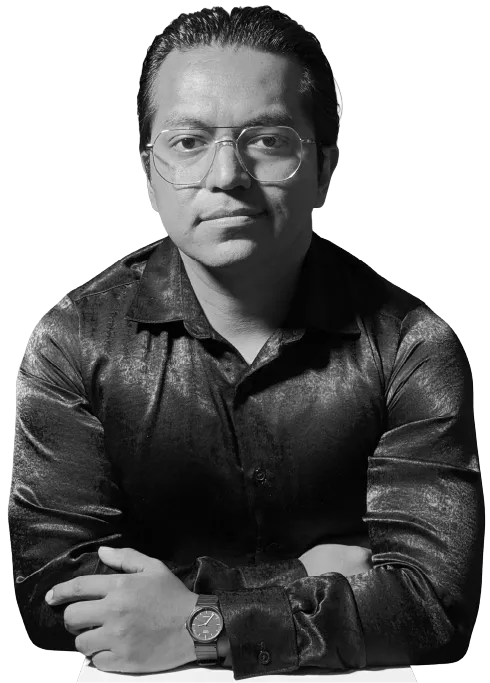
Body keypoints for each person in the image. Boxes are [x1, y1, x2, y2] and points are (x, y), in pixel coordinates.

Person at [8, 5, 484, 680]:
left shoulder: (412, 345)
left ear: (325, 164)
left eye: (267, 140)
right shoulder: (71, 343)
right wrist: (295, 581)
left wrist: (189, 621)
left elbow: (433, 607)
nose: (227, 174)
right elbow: (53, 594)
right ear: (147, 171)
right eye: (188, 142)